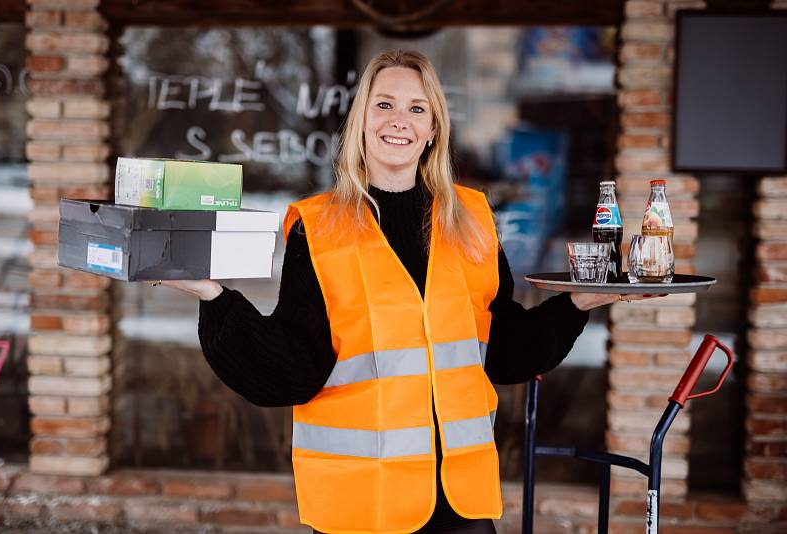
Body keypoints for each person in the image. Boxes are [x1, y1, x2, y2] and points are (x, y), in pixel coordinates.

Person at [162, 49, 652, 534]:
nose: (400, 121)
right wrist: (214, 296)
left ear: (434, 128)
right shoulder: (318, 227)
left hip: (461, 502)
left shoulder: (472, 220)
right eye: (384, 105)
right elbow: (294, 367)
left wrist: (577, 303)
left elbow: (501, 349)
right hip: (362, 504)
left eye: (417, 108)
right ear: (360, 120)